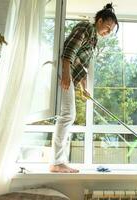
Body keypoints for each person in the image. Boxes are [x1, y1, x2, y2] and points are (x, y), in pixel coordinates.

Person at [50, 3, 119, 173]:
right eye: (108, 28)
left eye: (111, 31)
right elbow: (69, 50)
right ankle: (57, 163)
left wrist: (83, 88)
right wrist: (66, 74)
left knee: (68, 115)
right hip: (64, 71)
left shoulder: (94, 39)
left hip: (71, 75)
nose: (108, 33)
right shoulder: (86, 27)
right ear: (100, 20)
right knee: (68, 115)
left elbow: (83, 64)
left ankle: (58, 162)